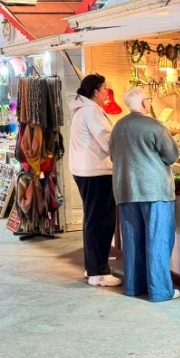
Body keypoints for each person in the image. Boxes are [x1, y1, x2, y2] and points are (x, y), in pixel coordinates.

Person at [110, 88, 180, 302]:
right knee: (158, 240)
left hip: (125, 190)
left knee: (132, 240)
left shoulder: (118, 127)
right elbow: (172, 155)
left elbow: (113, 155)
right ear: (144, 103)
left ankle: (133, 286)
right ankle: (160, 291)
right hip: (154, 191)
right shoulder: (153, 125)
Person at [68, 74, 120, 287]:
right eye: (105, 88)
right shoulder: (91, 111)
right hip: (95, 171)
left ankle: (93, 267)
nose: (107, 92)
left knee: (92, 219)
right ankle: (99, 272)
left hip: (84, 169)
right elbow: (107, 141)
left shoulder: (81, 110)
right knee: (101, 220)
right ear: (96, 91)